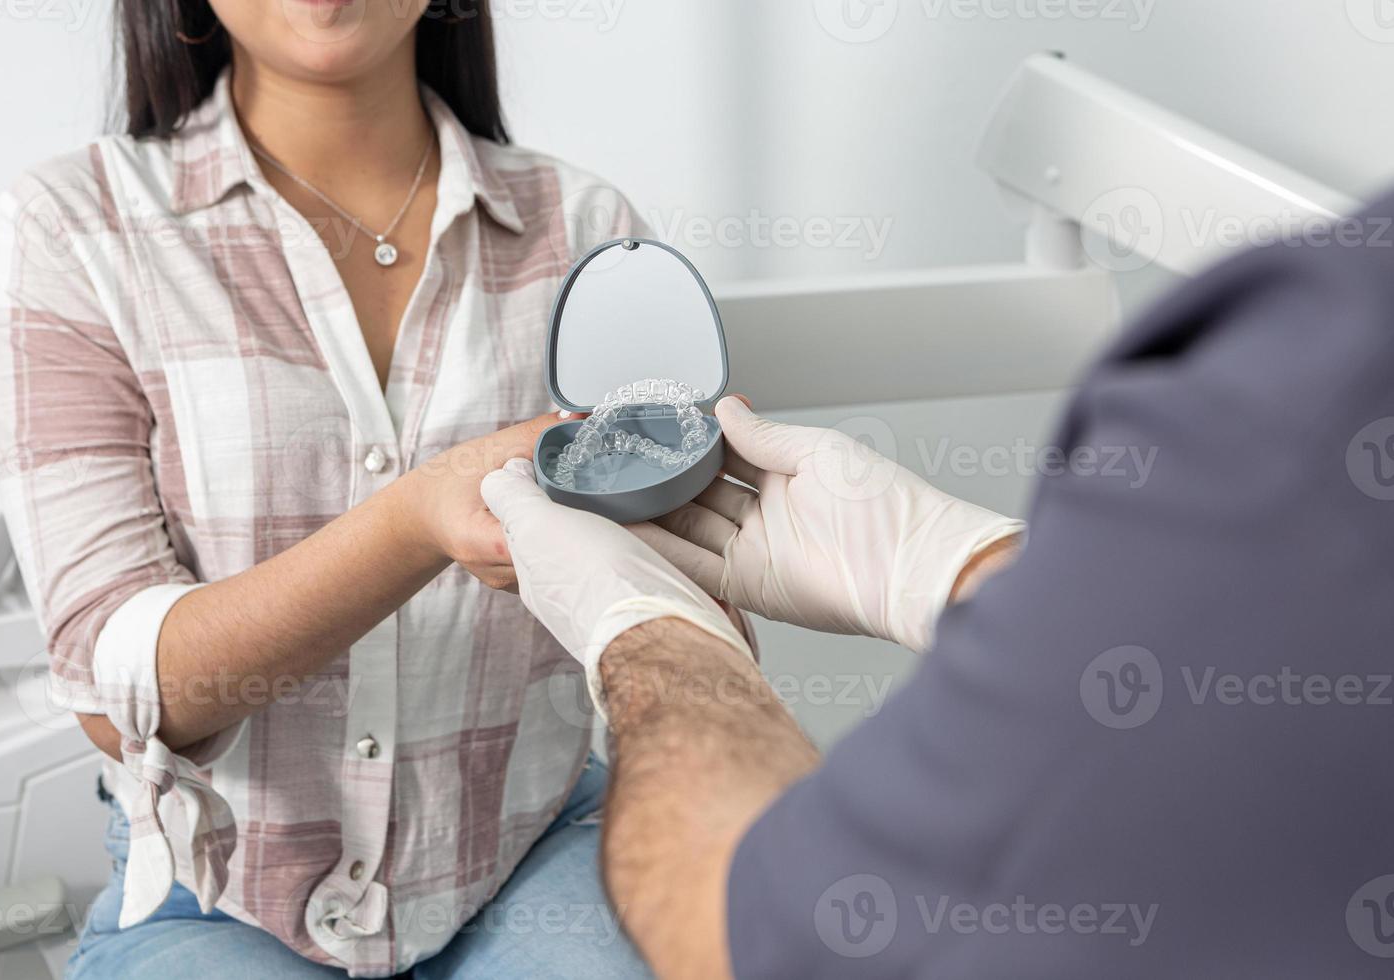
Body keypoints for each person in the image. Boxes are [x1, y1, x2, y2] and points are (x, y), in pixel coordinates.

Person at [480, 193, 1394, 977]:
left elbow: (763, 928)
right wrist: (954, 563)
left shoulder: (1284, 406)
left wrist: (649, 635)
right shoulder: (1308, 379)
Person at [0, 1, 716, 976]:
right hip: (214, 893)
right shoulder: (75, 224)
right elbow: (118, 699)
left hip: (529, 846)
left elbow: (653, 569)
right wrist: (415, 519)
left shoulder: (585, 229)